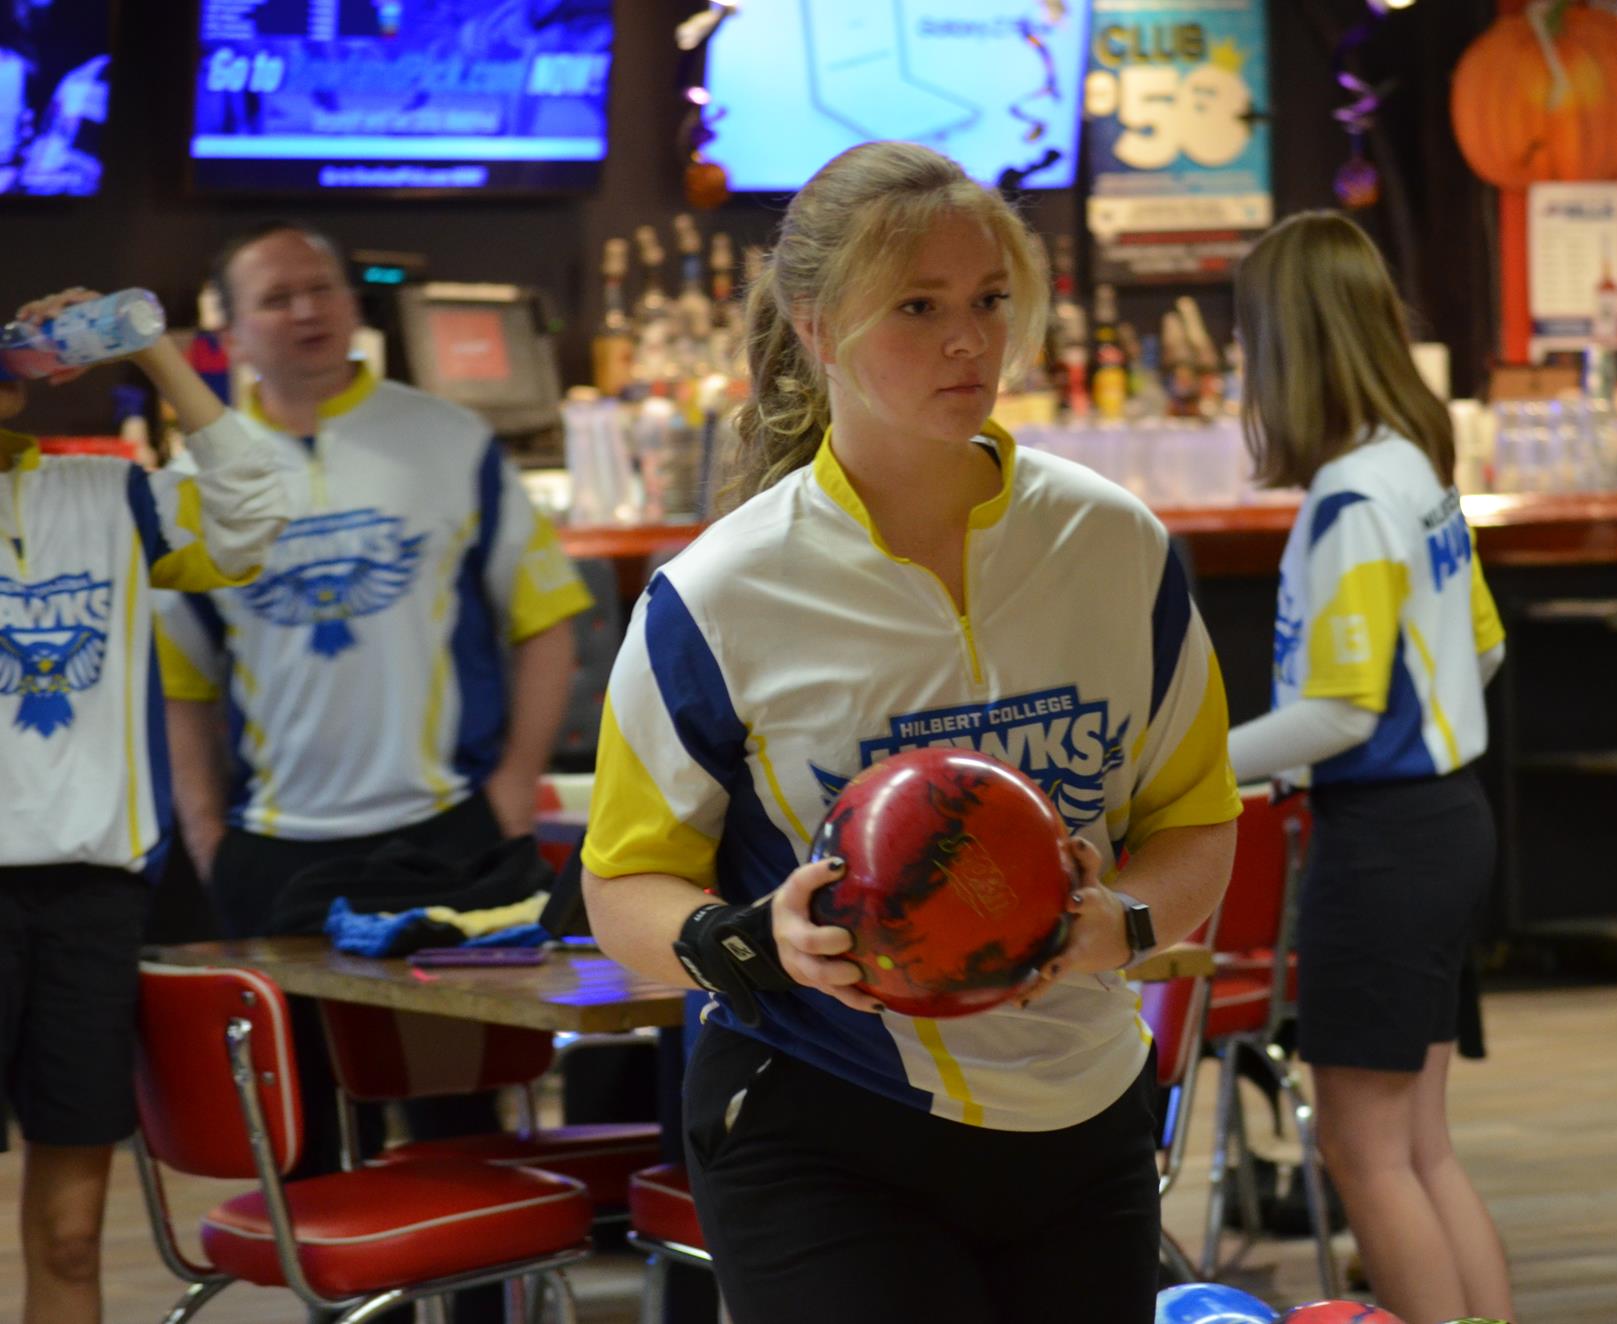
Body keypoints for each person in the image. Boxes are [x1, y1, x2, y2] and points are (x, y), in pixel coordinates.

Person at [580, 141, 1240, 1324]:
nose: (968, 341)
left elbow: (1197, 821)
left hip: (1084, 1109)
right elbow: (623, 881)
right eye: (919, 307)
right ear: (816, 324)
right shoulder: (718, 594)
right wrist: (751, 939)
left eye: (989, 300)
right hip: (823, 1118)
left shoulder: (1117, 546)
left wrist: (1123, 922)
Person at [154, 221, 593, 1175]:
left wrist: (516, 785)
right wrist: (204, 833)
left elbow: (546, 619)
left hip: (445, 844)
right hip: (272, 854)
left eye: (325, 288)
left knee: (463, 1134)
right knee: (308, 1142)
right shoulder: (193, 483)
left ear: (355, 305)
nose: (308, 310)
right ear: (225, 332)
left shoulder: (446, 439)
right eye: (276, 298)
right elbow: (184, 680)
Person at [1223, 211, 1513, 1324]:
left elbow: (1337, 714)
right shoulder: (1413, 468)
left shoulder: (1349, 499)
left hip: (1388, 842)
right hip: (1448, 820)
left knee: (1362, 1149)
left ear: (1286, 344)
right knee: (1420, 1143)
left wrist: (1186, 771)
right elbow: (1482, 647)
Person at [1, 287, 288, 1324]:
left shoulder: (107, 497)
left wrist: (154, 349)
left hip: (90, 900)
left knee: (73, 1240)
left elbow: (258, 513)